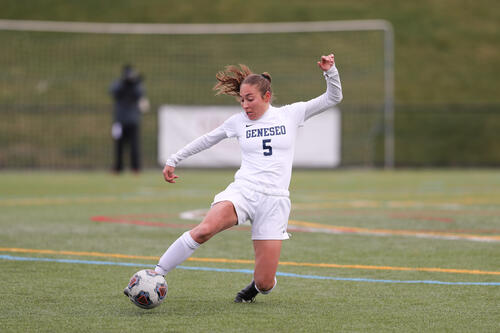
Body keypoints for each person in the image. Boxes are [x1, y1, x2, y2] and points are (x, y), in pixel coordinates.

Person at [139, 54, 342, 303]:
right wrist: (174, 159)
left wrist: (330, 72)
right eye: (242, 100)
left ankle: (258, 286)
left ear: (266, 97)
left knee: (266, 283)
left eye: (250, 99)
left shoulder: (291, 114)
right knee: (204, 230)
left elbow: (333, 97)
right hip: (243, 192)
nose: (245, 105)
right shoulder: (238, 122)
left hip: (275, 202)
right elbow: (207, 139)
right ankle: (155, 274)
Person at [109, 64, 149, 174]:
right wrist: (124, 83)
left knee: (134, 146)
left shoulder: (136, 85)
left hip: (133, 120)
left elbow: (140, 93)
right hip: (120, 120)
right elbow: (113, 91)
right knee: (119, 145)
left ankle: (135, 167)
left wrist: (134, 83)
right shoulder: (119, 83)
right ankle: (118, 167)